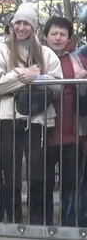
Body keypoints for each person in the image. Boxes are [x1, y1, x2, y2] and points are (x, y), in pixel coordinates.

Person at [0, 2, 63, 224]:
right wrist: (24, 74)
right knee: (10, 174)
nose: (21, 27)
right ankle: (14, 221)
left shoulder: (46, 53)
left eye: (26, 23)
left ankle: (37, 222)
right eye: (18, 23)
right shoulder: (1, 50)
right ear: (12, 25)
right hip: (8, 117)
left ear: (34, 26)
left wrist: (37, 77)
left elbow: (58, 85)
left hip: (39, 119)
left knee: (37, 175)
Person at [43, 16, 87, 226]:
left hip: (73, 133)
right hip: (45, 132)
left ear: (69, 37)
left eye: (63, 34)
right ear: (46, 36)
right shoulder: (37, 58)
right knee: (43, 182)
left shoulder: (79, 61)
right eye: (54, 33)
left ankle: (69, 226)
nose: (58, 38)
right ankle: (44, 225)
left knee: (71, 183)